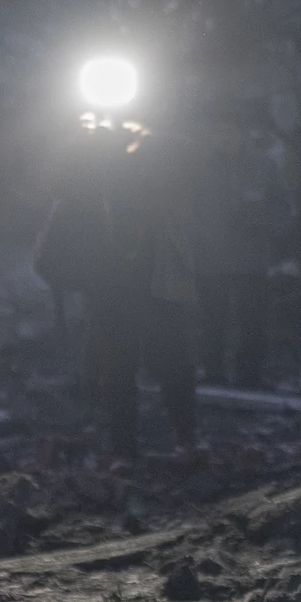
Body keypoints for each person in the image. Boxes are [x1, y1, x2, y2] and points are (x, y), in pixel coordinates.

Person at [36, 119, 198, 457]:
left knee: (157, 369)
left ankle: (170, 442)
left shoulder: (148, 179)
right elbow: (48, 256)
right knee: (130, 374)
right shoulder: (82, 192)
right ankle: (146, 446)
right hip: (120, 296)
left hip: (148, 292)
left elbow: (185, 157)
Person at [191, 112, 280, 390]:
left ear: (241, 134)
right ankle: (213, 371)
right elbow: (186, 210)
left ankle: (250, 376)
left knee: (252, 321)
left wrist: (262, 224)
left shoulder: (263, 166)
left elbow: (282, 205)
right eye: (219, 132)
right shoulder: (199, 168)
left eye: (230, 131)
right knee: (212, 320)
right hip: (210, 258)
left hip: (251, 258)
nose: (225, 138)